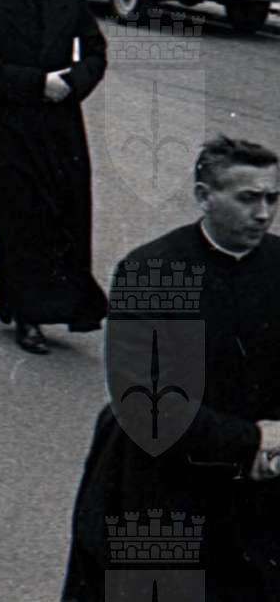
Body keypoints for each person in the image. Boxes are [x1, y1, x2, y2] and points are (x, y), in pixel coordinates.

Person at [60, 135, 280, 602]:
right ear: (204, 196)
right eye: (247, 198)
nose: (263, 214)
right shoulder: (154, 270)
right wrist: (250, 440)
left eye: (272, 198)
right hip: (163, 479)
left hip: (260, 489)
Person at [0, 0, 111, 354]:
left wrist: (73, 83)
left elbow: (95, 52)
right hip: (3, 129)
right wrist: (38, 84)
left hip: (59, 126)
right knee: (21, 217)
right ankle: (28, 316)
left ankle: (17, 283)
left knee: (63, 213)